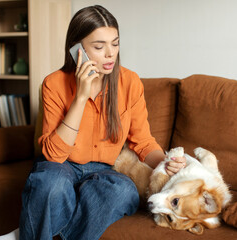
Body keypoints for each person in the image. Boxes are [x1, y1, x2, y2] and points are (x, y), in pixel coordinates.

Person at [18, 5, 186, 240]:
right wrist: (80, 97)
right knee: (49, 185)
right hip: (61, 165)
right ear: (78, 49)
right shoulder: (54, 84)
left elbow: (143, 142)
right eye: (99, 46)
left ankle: (35, 227)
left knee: (123, 191)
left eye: (115, 43)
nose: (110, 53)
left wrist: (166, 164)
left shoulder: (130, 82)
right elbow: (54, 155)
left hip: (104, 171)